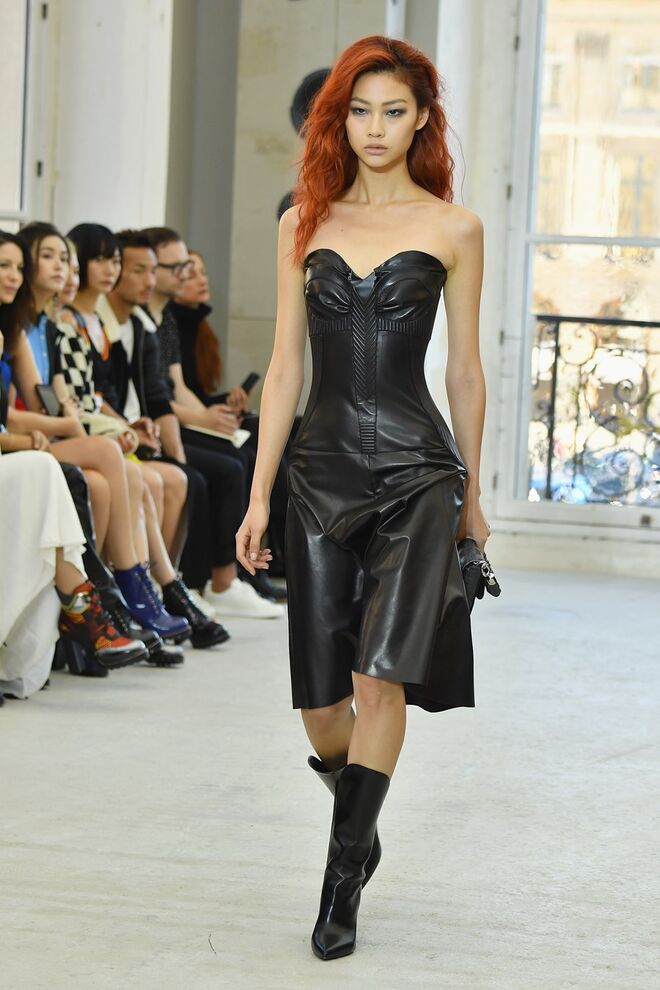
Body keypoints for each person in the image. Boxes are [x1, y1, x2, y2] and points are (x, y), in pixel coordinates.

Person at [235, 36, 489, 960]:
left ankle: (340, 882)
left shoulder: (455, 228)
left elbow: (464, 372)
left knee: (381, 677)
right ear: (338, 120)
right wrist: (258, 495)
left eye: (393, 110)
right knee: (320, 706)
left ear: (421, 120)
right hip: (317, 475)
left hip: (418, 474)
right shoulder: (302, 221)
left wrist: (473, 497)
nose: (375, 128)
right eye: (359, 111)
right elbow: (285, 370)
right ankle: (361, 815)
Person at [0, 229, 190, 644]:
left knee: (109, 483)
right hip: (23, 442)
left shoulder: (35, 327)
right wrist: (67, 424)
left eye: (65, 260)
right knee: (108, 455)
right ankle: (121, 588)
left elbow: (49, 401)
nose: (61, 269)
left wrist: (75, 422)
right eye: (49, 258)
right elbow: (31, 414)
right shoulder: (39, 326)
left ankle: (107, 605)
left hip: (36, 437)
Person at [141, 226, 283, 619]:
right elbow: (157, 398)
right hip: (151, 427)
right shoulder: (145, 319)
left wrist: (209, 416)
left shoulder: (164, 321)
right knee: (227, 465)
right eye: (178, 267)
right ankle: (212, 579)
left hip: (169, 420)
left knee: (244, 449)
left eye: (188, 266)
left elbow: (177, 387)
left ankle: (234, 574)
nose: (187, 274)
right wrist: (202, 417)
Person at [171, 250, 290, 582]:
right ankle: (237, 571)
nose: (201, 279)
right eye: (190, 273)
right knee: (240, 457)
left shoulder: (198, 327)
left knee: (264, 431)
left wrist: (224, 403)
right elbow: (166, 394)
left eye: (202, 272)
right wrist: (206, 416)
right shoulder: (167, 325)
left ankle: (278, 551)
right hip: (175, 424)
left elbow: (191, 390)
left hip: (189, 417)